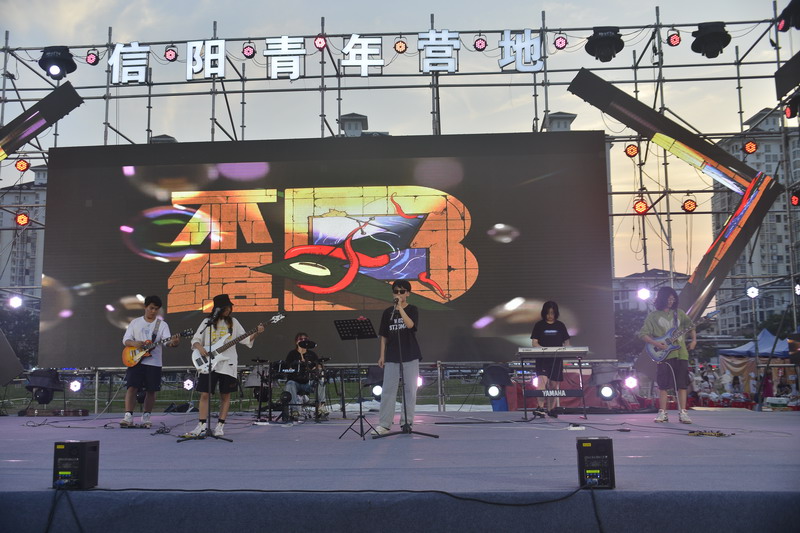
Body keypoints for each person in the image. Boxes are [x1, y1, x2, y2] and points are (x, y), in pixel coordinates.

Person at [184, 294, 264, 437]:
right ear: (218, 308)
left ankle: (220, 426)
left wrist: (257, 333)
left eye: (229, 307)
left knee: (225, 395)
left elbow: (245, 339)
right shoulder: (207, 322)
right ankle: (201, 425)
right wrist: (200, 348)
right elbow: (195, 339)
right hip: (209, 362)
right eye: (226, 307)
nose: (228, 310)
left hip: (228, 363)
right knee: (204, 394)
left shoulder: (233, 322)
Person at [120, 295, 181, 428]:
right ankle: (128, 416)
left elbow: (167, 342)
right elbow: (126, 340)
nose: (153, 311)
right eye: (151, 308)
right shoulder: (135, 322)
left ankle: (146, 416)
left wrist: (174, 343)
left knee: (151, 390)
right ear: (145, 307)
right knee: (132, 387)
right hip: (136, 360)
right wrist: (135, 343)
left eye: (156, 309)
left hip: (154, 362)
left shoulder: (162, 325)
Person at [639, 287, 696, 424]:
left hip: (681, 353)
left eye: (673, 299)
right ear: (662, 299)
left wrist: (694, 340)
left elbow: (691, 326)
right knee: (663, 385)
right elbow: (643, 334)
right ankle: (662, 413)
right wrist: (657, 344)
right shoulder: (653, 316)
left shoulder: (679, 313)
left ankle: (683, 413)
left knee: (682, 384)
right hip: (664, 355)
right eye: (669, 299)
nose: (671, 301)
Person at [374, 280, 421, 435]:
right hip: (392, 355)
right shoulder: (387, 312)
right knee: (388, 390)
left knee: (410, 390)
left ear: (408, 293)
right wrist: (382, 355)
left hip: (410, 353)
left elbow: (410, 325)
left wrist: (400, 308)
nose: (398, 294)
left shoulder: (412, 309)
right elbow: (384, 336)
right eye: (396, 291)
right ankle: (384, 424)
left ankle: (407, 422)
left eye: (402, 291)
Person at [530, 301, 571, 413]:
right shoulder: (539, 325)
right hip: (542, 359)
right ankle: (540, 408)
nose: (550, 316)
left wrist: (565, 350)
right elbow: (534, 343)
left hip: (556, 360)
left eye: (552, 313)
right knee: (542, 383)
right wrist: (544, 350)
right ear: (544, 313)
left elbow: (567, 342)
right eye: (548, 313)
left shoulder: (560, 325)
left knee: (553, 385)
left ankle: (551, 409)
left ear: (556, 313)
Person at [283, 332, 329, 421]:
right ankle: (294, 410)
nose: (303, 341)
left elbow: (319, 366)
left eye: (305, 339)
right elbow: (287, 368)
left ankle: (321, 407)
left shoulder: (312, 354)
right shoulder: (292, 354)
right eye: (301, 339)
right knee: (290, 384)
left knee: (321, 382)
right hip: (296, 383)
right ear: (296, 341)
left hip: (308, 383)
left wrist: (318, 367)